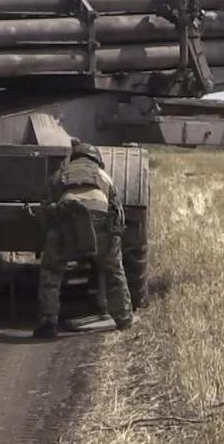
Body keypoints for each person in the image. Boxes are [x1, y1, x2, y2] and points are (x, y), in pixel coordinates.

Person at [35, 141, 134, 339]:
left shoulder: (60, 175)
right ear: (96, 159)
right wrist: (114, 239)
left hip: (67, 220)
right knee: (114, 272)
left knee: (51, 272)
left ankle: (48, 321)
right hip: (101, 221)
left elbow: (46, 209)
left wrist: (52, 235)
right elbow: (117, 210)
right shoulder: (104, 176)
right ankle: (124, 319)